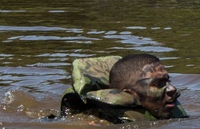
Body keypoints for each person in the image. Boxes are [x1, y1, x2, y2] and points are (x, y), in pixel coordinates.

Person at [60, 53, 188, 124]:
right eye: (158, 83)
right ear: (130, 93)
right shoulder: (99, 122)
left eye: (168, 81)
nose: (172, 89)